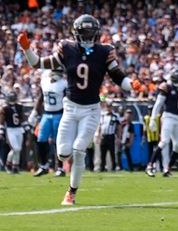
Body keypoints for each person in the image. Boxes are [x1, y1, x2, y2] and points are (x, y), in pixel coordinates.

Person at [17, 15, 142, 205]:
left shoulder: (104, 51)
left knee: (78, 150)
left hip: (91, 110)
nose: (88, 36)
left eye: (91, 32)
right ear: (76, 32)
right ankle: (66, 169)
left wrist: (130, 84)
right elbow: (38, 64)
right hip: (69, 108)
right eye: (84, 32)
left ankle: (71, 193)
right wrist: (27, 49)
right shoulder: (67, 48)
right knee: (63, 153)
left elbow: (117, 76)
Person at [146, 68, 178, 177]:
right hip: (168, 116)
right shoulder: (167, 87)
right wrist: (153, 119)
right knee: (164, 141)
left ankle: (167, 168)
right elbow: (158, 104)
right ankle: (150, 165)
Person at [30, 69, 67, 177]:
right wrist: (34, 111)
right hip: (46, 113)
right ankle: (43, 166)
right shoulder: (45, 82)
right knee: (41, 140)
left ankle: (60, 168)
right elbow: (40, 98)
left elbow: (67, 100)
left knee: (58, 142)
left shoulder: (63, 84)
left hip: (59, 114)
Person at [1, 91, 26, 174]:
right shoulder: (5, 108)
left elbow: (22, 118)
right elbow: (1, 120)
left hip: (18, 128)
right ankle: (8, 165)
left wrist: (25, 125)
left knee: (18, 149)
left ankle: (15, 167)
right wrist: (1, 129)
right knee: (16, 148)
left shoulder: (19, 106)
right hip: (10, 129)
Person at [96, 100, 120, 172]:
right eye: (107, 107)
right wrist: (98, 135)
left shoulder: (115, 116)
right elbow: (100, 126)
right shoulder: (102, 116)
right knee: (102, 153)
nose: (108, 108)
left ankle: (113, 167)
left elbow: (119, 127)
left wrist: (118, 137)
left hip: (111, 136)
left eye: (110, 107)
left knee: (112, 153)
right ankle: (102, 167)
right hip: (104, 136)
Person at [143, 106, 160, 174]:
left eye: (151, 110)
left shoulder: (157, 117)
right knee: (150, 153)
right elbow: (144, 128)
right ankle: (151, 166)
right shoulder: (146, 118)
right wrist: (144, 137)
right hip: (149, 137)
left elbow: (160, 125)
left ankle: (158, 166)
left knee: (157, 152)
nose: (150, 111)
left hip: (156, 137)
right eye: (149, 110)